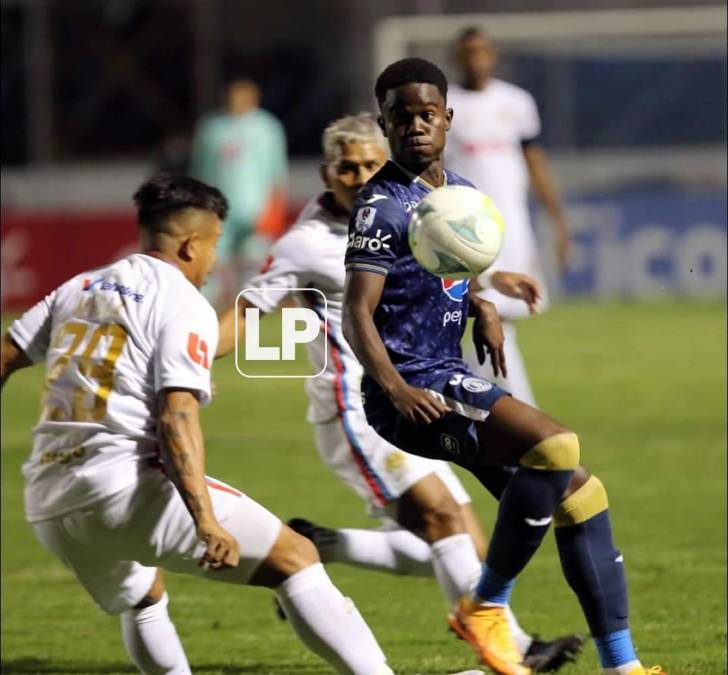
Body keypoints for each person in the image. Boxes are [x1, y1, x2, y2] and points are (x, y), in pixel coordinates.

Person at [217, 113, 583, 671]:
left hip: (417, 391)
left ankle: (315, 544)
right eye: (348, 166)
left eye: (369, 162)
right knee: (442, 519)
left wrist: (489, 283)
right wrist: (191, 354)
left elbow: (432, 264)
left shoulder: (399, 209)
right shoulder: (304, 244)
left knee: (458, 534)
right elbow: (247, 310)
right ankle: (513, 651)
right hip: (356, 406)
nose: (360, 175)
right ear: (326, 172)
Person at [342, 58, 664, 675]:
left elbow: (439, 271)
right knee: (556, 445)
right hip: (413, 389)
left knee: (582, 496)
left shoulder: (456, 196)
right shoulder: (380, 206)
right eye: (400, 117)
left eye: (426, 114)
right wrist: (395, 385)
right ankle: (485, 606)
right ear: (385, 125)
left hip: (443, 371)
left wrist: (482, 301)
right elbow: (360, 313)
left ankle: (623, 667)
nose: (415, 126)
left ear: (447, 118)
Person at [0, 175, 393, 675]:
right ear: (191, 244)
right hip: (121, 489)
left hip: (50, 502)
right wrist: (204, 520)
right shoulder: (182, 303)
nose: (213, 262)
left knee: (146, 593)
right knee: (296, 558)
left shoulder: (78, 287)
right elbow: (176, 416)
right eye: (214, 246)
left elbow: (5, 355)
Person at [445, 27, 571, 407]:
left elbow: (533, 159)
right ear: (458, 57)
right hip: (465, 221)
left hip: (512, 221)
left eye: (482, 51)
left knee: (504, 312)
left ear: (492, 55)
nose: (476, 59)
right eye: (468, 52)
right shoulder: (447, 103)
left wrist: (556, 217)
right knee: (490, 309)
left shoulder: (516, 102)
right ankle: (513, 405)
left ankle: (469, 393)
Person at [190, 77, 288, 302]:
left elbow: (277, 172)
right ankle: (205, 311)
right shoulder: (212, 128)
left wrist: (274, 208)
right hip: (217, 207)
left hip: (255, 207)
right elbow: (200, 170)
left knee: (252, 263)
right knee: (211, 260)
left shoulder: (268, 127)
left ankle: (248, 315)